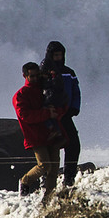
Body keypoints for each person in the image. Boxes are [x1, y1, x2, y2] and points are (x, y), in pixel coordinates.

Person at [13, 62, 65, 204]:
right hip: (35, 135)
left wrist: (57, 113)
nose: (35, 79)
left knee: (53, 168)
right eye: (32, 76)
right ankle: (25, 181)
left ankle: (48, 199)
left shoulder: (45, 88)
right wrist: (48, 114)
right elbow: (25, 115)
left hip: (51, 133)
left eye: (37, 75)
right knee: (45, 165)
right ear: (25, 76)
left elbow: (59, 103)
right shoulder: (21, 95)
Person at [41, 41, 82, 188]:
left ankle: (68, 179)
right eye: (55, 55)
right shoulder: (43, 72)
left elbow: (76, 92)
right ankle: (45, 182)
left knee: (74, 146)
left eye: (60, 55)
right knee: (50, 150)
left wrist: (74, 108)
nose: (58, 58)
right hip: (49, 117)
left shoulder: (69, 73)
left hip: (65, 115)